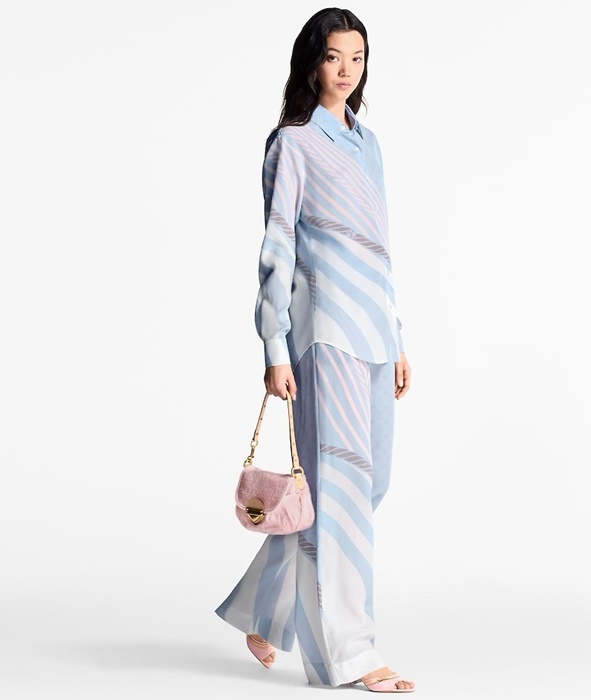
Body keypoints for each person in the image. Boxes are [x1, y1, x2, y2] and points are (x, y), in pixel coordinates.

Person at [214, 7, 414, 693]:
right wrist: (274, 346)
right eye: (334, 57)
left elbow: (381, 248)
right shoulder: (292, 144)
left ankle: (263, 609)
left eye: (357, 57)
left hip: (374, 334)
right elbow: (277, 246)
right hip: (323, 332)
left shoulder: (368, 143)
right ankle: (348, 654)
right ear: (312, 63)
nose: (347, 69)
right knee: (344, 492)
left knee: (366, 483)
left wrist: (398, 336)